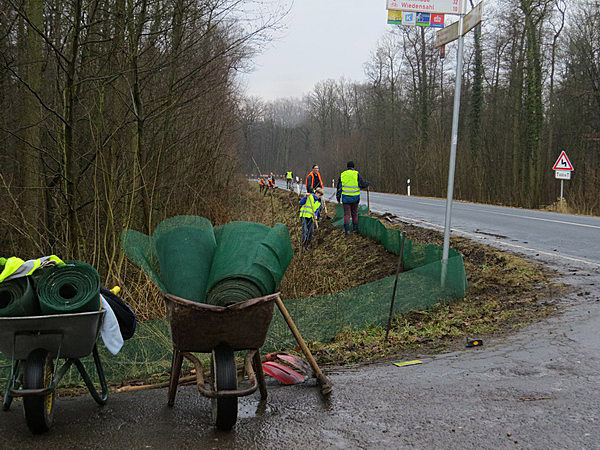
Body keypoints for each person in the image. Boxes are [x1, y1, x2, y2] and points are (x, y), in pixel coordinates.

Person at [336, 161, 369, 236]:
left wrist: (338, 198)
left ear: (347, 167)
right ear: (353, 167)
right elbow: (362, 185)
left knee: (347, 214)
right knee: (354, 213)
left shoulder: (343, 174)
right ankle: (355, 229)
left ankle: (347, 231)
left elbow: (339, 187)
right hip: (355, 198)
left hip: (346, 198)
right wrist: (367, 183)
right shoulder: (356, 174)